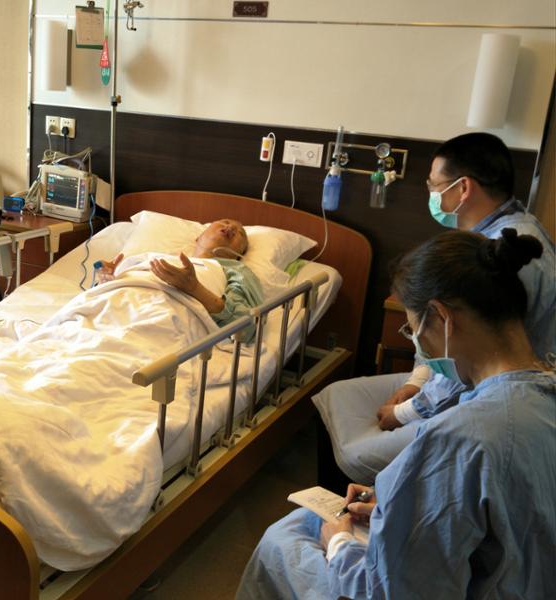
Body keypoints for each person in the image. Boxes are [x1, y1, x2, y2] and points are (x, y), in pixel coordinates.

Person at [237, 229, 556, 600]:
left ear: (441, 317)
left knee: (285, 537)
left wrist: (340, 545)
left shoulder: (461, 437)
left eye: (413, 330)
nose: (419, 345)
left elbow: (395, 592)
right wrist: (395, 501)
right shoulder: (540, 396)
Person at [313, 132, 555, 483]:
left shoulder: (506, 259)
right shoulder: (508, 239)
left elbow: (471, 354)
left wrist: (405, 412)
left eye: (434, 185)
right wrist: (416, 383)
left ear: (463, 188)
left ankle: (347, 503)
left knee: (355, 452)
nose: (431, 194)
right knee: (335, 394)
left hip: (473, 397)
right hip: (476, 384)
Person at [97, 219, 264, 342]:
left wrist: (194, 288)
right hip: (107, 317)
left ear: (239, 253)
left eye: (240, 233)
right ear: (198, 237)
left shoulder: (237, 271)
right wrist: (106, 281)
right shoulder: (154, 258)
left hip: (156, 326)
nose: (231, 228)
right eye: (225, 222)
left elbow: (247, 329)